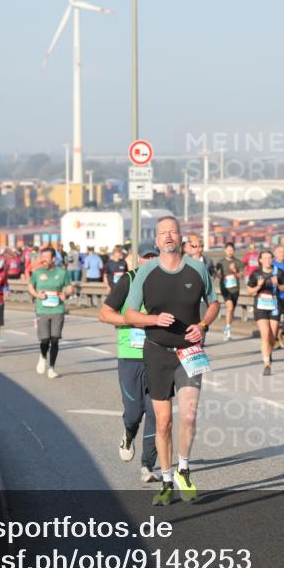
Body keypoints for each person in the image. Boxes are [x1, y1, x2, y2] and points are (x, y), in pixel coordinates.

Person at [124, 216, 219, 506]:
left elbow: (214, 303)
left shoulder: (198, 268)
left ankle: (184, 470)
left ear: (181, 238)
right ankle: (166, 479)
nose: (167, 237)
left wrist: (202, 325)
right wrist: (153, 319)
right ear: (157, 240)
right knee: (163, 423)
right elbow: (129, 314)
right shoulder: (146, 272)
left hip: (189, 353)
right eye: (162, 233)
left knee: (189, 415)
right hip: (156, 352)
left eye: (172, 232)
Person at [99, 243, 161, 483]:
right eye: (146, 257)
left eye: (154, 257)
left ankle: (148, 465)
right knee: (134, 412)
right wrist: (133, 321)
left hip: (158, 357)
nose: (150, 260)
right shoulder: (128, 280)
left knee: (156, 414)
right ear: (138, 259)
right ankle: (128, 434)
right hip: (130, 356)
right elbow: (104, 314)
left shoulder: (167, 282)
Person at [28, 246, 74, 378]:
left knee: (55, 339)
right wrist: (37, 295)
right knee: (44, 340)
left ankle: (52, 368)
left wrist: (66, 294)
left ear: (53, 259)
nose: (44, 260)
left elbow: (69, 287)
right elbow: (30, 286)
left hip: (57, 309)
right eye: (43, 257)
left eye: (46, 258)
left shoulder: (62, 272)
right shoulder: (37, 272)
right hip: (42, 309)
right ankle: (43, 357)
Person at [247, 250, 282, 376]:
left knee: (272, 337)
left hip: (274, 307)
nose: (267, 260)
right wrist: (258, 286)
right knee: (265, 335)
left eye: (269, 258)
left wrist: (278, 284)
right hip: (260, 307)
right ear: (260, 260)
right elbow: (249, 291)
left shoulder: (278, 272)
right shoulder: (256, 273)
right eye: (265, 258)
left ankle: (269, 352)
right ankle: (267, 364)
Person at [215, 243, 244, 341]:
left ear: (234, 251)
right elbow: (217, 275)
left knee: (231, 311)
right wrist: (218, 275)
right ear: (225, 251)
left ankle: (227, 327)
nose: (230, 252)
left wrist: (234, 270)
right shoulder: (220, 262)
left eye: (232, 250)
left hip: (235, 289)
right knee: (230, 307)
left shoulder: (238, 262)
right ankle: (228, 330)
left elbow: (241, 277)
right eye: (228, 250)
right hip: (225, 288)